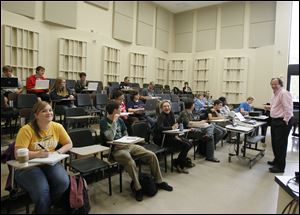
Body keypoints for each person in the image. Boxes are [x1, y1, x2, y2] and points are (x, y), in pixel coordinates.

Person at [100, 101, 173, 201]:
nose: (122, 110)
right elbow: (109, 137)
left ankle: (159, 181)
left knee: (151, 155)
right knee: (130, 161)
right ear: (114, 111)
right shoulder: (103, 122)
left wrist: (127, 140)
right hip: (115, 149)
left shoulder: (121, 121)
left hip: (127, 145)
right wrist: (114, 123)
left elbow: (125, 134)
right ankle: (138, 188)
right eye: (120, 109)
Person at [14, 101, 73, 213]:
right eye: (44, 110)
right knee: (42, 191)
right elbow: (18, 154)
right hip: (29, 166)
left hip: (49, 162)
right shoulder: (26, 129)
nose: (49, 112)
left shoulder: (57, 127)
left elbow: (69, 144)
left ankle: (44, 207)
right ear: (36, 115)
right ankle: (44, 208)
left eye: (50, 110)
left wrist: (58, 152)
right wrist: (38, 154)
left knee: (63, 182)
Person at [153, 100, 194, 173]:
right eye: (164, 106)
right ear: (162, 108)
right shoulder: (161, 116)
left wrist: (176, 133)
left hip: (170, 136)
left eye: (168, 106)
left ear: (170, 107)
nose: (167, 108)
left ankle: (177, 161)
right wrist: (171, 128)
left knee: (190, 144)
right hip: (162, 138)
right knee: (186, 145)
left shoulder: (171, 114)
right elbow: (160, 128)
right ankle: (180, 164)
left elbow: (174, 126)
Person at [265, 78, 294, 173]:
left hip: (282, 121)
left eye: (275, 84)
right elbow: (277, 107)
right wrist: (270, 108)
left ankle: (280, 167)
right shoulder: (275, 94)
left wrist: (285, 120)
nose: (273, 86)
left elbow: (288, 108)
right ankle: (276, 161)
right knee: (275, 143)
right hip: (275, 121)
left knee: (281, 145)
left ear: (280, 84)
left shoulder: (284, 93)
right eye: (272, 84)